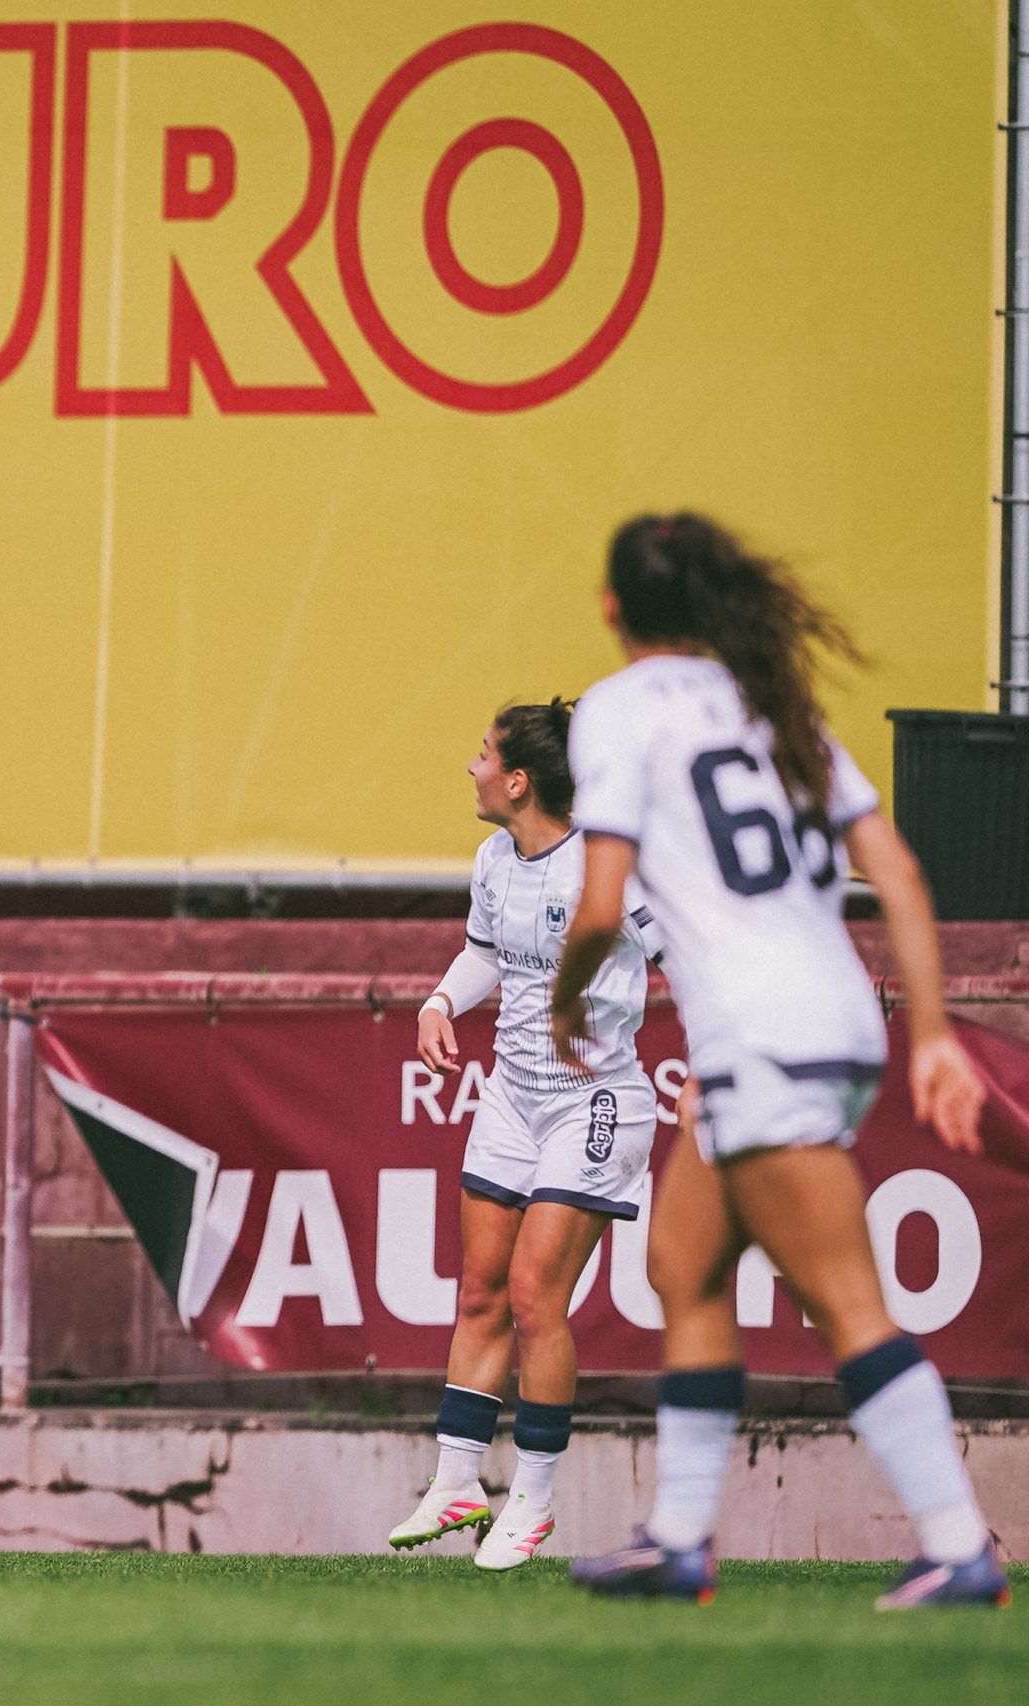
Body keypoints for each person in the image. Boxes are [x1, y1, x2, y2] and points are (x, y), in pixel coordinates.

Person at [553, 513, 1002, 1609]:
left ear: (612, 606)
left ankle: (959, 1545)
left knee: (846, 1301)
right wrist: (933, 1034)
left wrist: (564, 1005)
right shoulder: (771, 703)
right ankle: (677, 1538)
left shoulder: (618, 709)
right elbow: (898, 873)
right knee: (684, 1266)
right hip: (827, 1021)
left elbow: (602, 904)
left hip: (760, 1037)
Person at [391, 701, 661, 1570]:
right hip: (510, 1099)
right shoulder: (493, 860)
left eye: (483, 755)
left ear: (518, 781)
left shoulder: (610, 867)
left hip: (595, 1101)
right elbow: (485, 954)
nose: (469, 768)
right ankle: (457, 1481)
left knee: (538, 1297)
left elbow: (685, 958)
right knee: (480, 1292)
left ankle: (534, 1502)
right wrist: (439, 1002)